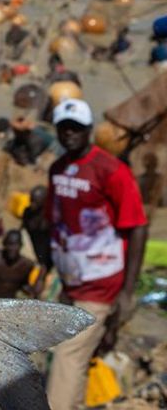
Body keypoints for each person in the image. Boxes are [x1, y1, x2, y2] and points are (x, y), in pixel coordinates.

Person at [45, 98, 149, 410]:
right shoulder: (58, 169)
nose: (69, 134)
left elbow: (138, 226)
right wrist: (52, 273)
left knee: (68, 355)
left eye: (76, 128)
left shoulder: (111, 171)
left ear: (89, 130)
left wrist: (127, 291)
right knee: (74, 359)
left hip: (101, 282)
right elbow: (56, 222)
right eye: (64, 128)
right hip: (72, 278)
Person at [22, 185, 53, 270]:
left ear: (44, 201)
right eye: (31, 200)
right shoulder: (28, 213)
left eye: (35, 201)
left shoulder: (51, 216)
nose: (32, 204)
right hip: (34, 250)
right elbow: (25, 234)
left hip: (49, 254)